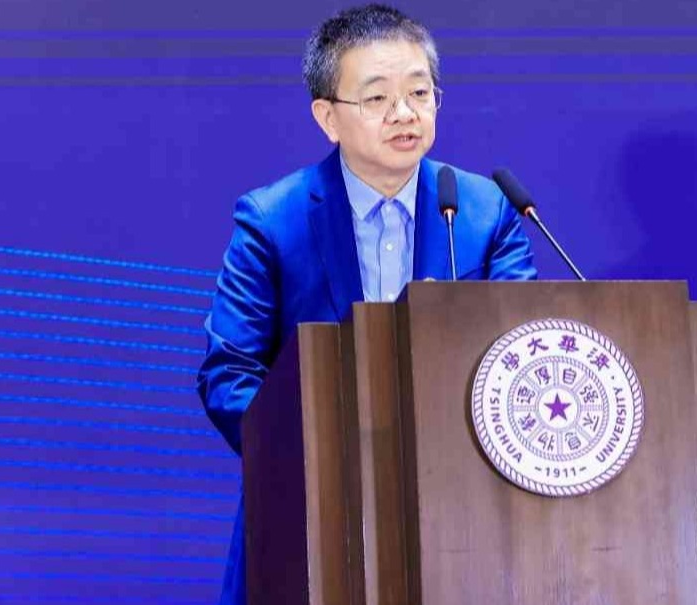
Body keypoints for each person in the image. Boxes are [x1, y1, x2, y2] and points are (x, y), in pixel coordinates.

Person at [196, 4, 537, 604]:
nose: (404, 113)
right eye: (377, 98)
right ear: (327, 117)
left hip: (465, 517)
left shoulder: (485, 211)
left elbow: (525, 350)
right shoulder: (273, 220)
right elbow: (230, 374)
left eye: (419, 93)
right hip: (315, 516)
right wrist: (321, 458)